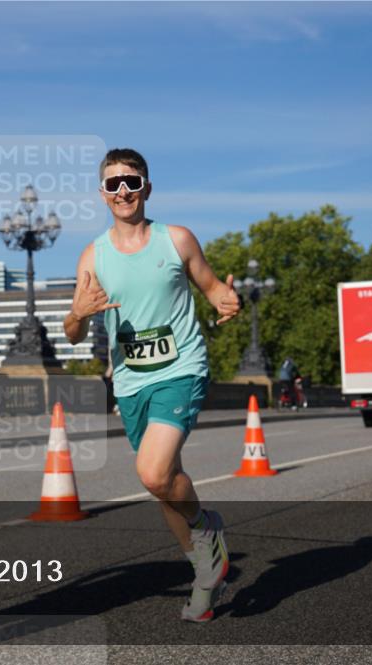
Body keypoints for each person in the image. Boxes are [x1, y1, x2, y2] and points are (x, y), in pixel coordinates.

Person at [63, 148, 241, 622]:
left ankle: (206, 529)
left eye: (132, 181)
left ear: (147, 187)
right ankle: (205, 576)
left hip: (180, 368)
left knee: (154, 473)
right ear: (102, 194)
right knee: (163, 484)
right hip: (129, 381)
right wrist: (78, 315)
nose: (124, 191)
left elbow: (210, 287)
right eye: (114, 184)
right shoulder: (93, 255)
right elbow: (73, 329)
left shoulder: (176, 239)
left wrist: (226, 299)